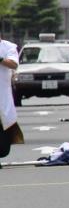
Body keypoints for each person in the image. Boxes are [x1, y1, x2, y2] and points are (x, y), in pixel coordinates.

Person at [0, 33, 23, 164]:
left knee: (4, 146)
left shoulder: (8, 47)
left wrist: (0, 59)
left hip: (2, 96)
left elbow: (14, 64)